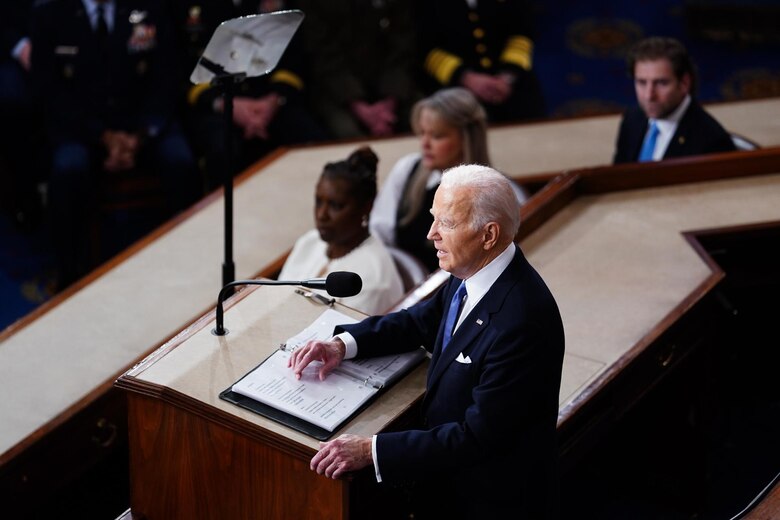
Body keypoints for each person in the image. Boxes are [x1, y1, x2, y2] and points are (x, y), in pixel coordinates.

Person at [289, 165, 565, 518]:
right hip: (444, 480)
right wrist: (342, 344)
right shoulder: (473, 270)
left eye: (446, 223)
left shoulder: (521, 321)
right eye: (434, 218)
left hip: (487, 500)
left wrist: (371, 451)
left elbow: (476, 437)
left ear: (488, 235)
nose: (431, 233)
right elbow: (420, 321)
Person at [31, 0, 201, 287]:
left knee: (180, 161)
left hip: (142, 126)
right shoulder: (49, 12)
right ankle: (70, 276)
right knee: (68, 169)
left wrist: (140, 135)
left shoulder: (150, 6)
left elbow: (168, 76)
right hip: (82, 130)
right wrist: (102, 136)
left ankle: (191, 262)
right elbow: (49, 92)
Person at [370, 87, 527, 274]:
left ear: (466, 138)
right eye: (422, 133)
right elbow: (379, 234)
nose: (425, 144)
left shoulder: (502, 193)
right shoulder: (407, 169)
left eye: (437, 136)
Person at [173, 0, 327, 191]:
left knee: (312, 140)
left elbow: (293, 55)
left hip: (270, 100)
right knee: (222, 148)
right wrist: (225, 103)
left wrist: (274, 99)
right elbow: (181, 66)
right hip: (215, 102)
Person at [279, 147, 404, 316]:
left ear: (366, 207)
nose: (321, 214)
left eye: (336, 206)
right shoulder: (309, 241)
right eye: (318, 201)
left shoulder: (373, 278)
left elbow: (338, 332)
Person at [296, 0, 419, 139]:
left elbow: (403, 45)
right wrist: (358, 105)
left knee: (425, 119)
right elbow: (323, 56)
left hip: (393, 86)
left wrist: (390, 100)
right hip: (337, 91)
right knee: (347, 133)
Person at [418, 0, 546, 123]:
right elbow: (425, 48)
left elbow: (522, 32)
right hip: (454, 99)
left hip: (514, 91)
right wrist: (466, 77)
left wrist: (507, 77)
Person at [613, 36, 737, 164]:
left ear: (684, 83)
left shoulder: (712, 142)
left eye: (661, 83)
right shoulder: (632, 119)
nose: (649, 96)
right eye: (642, 82)